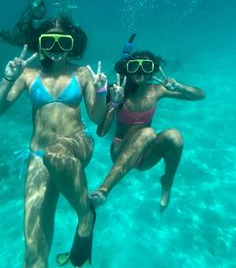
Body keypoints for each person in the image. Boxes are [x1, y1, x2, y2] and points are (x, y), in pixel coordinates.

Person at [0, 14, 107, 267]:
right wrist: (8, 78)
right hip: (38, 156)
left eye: (63, 42)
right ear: (40, 43)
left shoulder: (82, 74)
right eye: (50, 41)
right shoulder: (27, 74)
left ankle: (85, 216)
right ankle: (85, 211)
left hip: (78, 143)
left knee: (57, 154)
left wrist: (101, 90)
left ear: (72, 43)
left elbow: (97, 116)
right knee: (33, 254)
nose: (57, 49)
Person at [90, 40, 206, 213]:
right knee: (147, 132)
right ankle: (104, 190)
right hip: (120, 151)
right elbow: (101, 132)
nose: (140, 71)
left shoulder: (157, 90)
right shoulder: (119, 91)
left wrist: (179, 86)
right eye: (135, 66)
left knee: (175, 136)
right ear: (128, 68)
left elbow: (200, 95)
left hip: (146, 156)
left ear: (152, 69)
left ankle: (167, 183)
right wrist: (114, 103)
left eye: (146, 66)